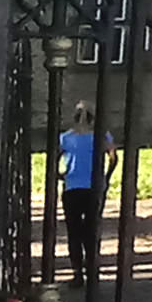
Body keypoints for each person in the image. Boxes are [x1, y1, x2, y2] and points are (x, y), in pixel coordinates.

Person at [57, 103, 113, 275]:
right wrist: (106, 176)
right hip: (93, 187)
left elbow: (55, 158)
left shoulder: (66, 138)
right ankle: (92, 266)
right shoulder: (102, 136)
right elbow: (113, 157)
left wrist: (61, 175)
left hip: (72, 187)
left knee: (74, 231)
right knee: (92, 228)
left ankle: (77, 271)